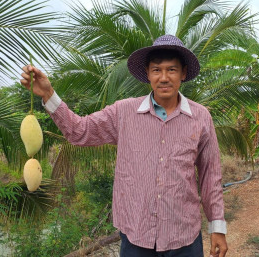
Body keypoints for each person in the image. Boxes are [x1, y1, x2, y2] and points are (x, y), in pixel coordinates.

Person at [20, 34, 228, 257]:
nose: (164, 77)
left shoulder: (200, 117)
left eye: (172, 69)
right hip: (136, 236)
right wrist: (48, 94)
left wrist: (217, 228)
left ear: (183, 73)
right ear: (148, 74)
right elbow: (80, 131)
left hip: (184, 237)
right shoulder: (124, 112)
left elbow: (210, 176)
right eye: (157, 70)